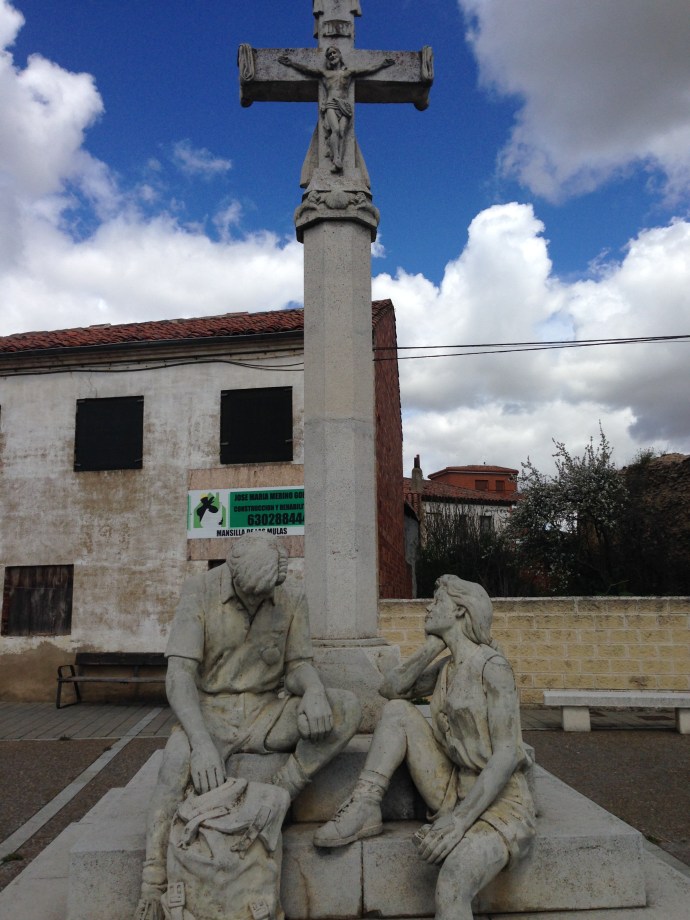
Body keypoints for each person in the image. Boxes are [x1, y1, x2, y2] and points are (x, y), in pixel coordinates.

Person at [135, 531, 360, 920]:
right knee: (174, 765)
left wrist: (314, 691)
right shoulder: (199, 592)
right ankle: (153, 882)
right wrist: (201, 743)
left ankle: (280, 792)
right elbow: (179, 676)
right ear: (232, 575)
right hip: (210, 713)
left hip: (265, 711)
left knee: (346, 709)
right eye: (248, 594)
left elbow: (297, 665)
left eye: (264, 594)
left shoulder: (292, 596)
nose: (257, 602)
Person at [314, 575, 535, 920]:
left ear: (460, 610)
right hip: (451, 787)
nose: (428, 608)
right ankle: (366, 804)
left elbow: (507, 753)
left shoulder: (492, 667)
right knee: (398, 712)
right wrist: (436, 645)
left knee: (452, 884)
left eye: (437, 601)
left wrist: (459, 822)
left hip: (500, 803)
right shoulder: (448, 667)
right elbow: (391, 688)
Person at [279, 46, 394, 171]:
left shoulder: (349, 73)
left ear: (339, 55)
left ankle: (338, 157)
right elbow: (308, 70)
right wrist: (291, 63)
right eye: (329, 55)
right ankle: (337, 159)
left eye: (334, 53)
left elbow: (367, 70)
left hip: (344, 106)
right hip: (331, 104)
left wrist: (382, 65)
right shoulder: (325, 73)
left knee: (342, 133)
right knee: (336, 130)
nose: (332, 56)